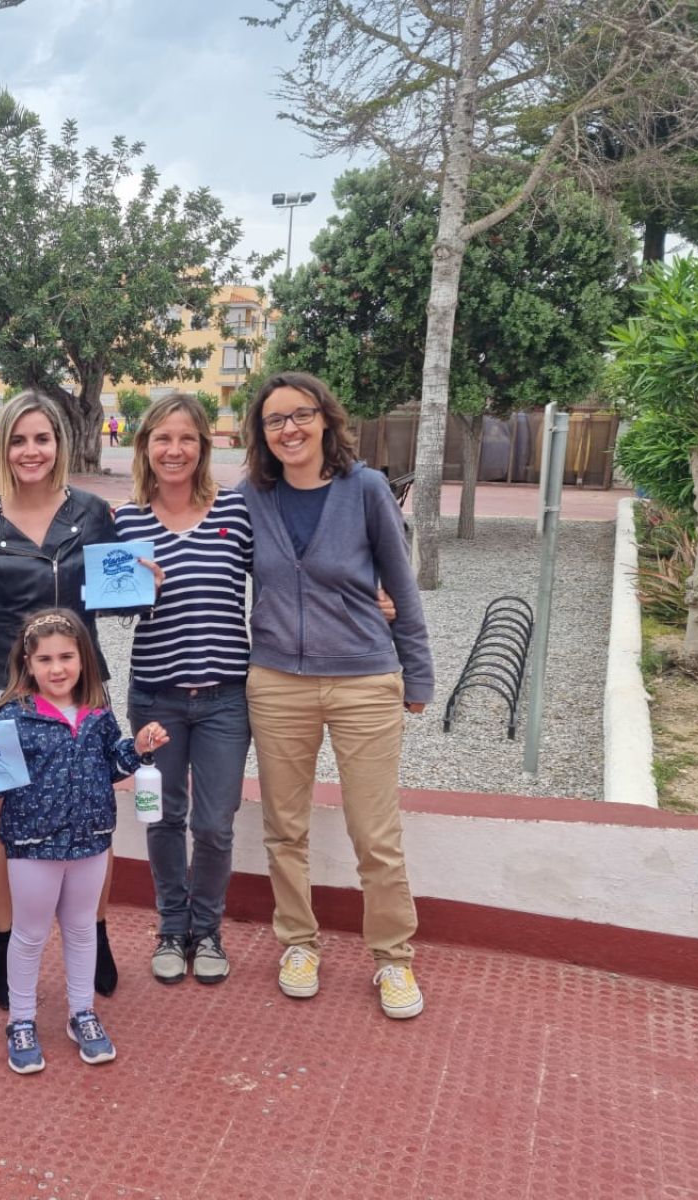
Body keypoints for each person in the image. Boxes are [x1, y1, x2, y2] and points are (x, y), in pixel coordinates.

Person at [238, 371, 434, 1020]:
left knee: (375, 832)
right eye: (274, 421)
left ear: (325, 419)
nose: (289, 429)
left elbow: (400, 587)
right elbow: (208, 568)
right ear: (260, 434)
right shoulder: (250, 498)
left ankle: (392, 960)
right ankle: (298, 943)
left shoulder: (367, 489)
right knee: (283, 829)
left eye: (300, 415)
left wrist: (418, 674)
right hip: (276, 685)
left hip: (363, 681)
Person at [0, 391, 123, 1010]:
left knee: (94, 812)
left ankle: (92, 932)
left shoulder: (96, 513)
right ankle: (2, 939)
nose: (31, 451)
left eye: (42, 439)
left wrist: (148, 581)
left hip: (80, 685)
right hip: (3, 690)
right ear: (3, 449)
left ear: (60, 445)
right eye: (18, 440)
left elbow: (113, 598)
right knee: (1, 824)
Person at [0, 609, 168, 1074]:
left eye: (67, 656)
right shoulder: (10, 718)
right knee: (29, 935)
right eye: (45, 659)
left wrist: (139, 747)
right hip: (31, 845)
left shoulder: (97, 716)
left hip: (90, 842)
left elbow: (113, 765)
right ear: (27, 662)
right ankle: (22, 1020)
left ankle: (82, 1012)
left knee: (83, 929)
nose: (57, 668)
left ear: (84, 660)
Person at [115, 395, 255, 987]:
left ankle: (208, 928)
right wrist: (130, 590)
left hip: (226, 697)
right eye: (162, 439)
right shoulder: (126, 522)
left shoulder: (236, 512)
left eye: (187, 438)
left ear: (205, 445)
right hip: (156, 694)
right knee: (164, 816)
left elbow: (282, 584)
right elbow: (112, 609)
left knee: (216, 823)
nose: (174, 450)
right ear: (144, 445)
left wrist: (370, 597)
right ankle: (172, 927)